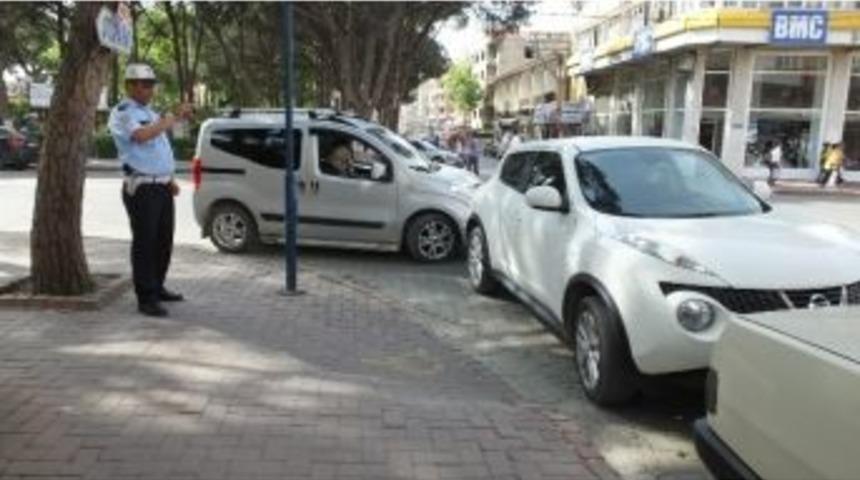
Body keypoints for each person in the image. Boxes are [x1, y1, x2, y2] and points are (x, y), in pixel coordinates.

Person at [108, 64, 192, 317]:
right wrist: (170, 119)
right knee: (145, 243)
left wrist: (168, 179)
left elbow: (157, 149)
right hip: (142, 187)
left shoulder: (149, 111)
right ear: (130, 86)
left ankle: (157, 286)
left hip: (161, 185)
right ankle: (146, 297)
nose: (148, 89)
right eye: (143, 84)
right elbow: (141, 136)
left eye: (151, 84)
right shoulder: (123, 112)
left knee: (163, 240)